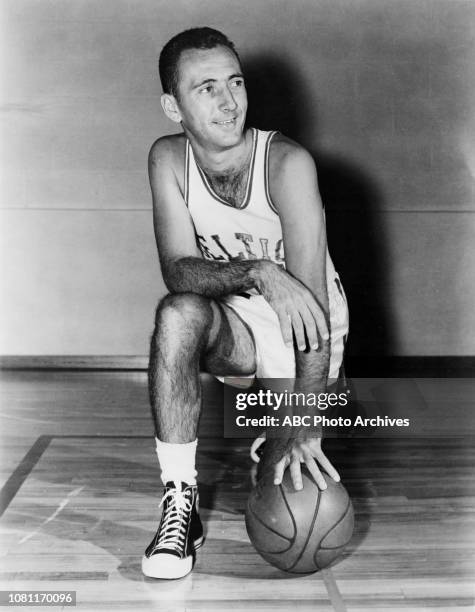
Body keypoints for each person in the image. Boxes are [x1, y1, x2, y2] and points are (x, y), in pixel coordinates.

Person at [142, 27, 349, 580]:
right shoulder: (167, 159)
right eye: (206, 87)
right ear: (172, 106)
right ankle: (180, 506)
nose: (228, 101)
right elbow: (178, 271)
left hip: (307, 332)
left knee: (284, 490)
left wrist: (306, 422)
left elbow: (312, 316)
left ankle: (286, 424)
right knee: (176, 314)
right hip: (237, 322)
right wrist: (258, 271)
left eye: (234, 82)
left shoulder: (286, 164)